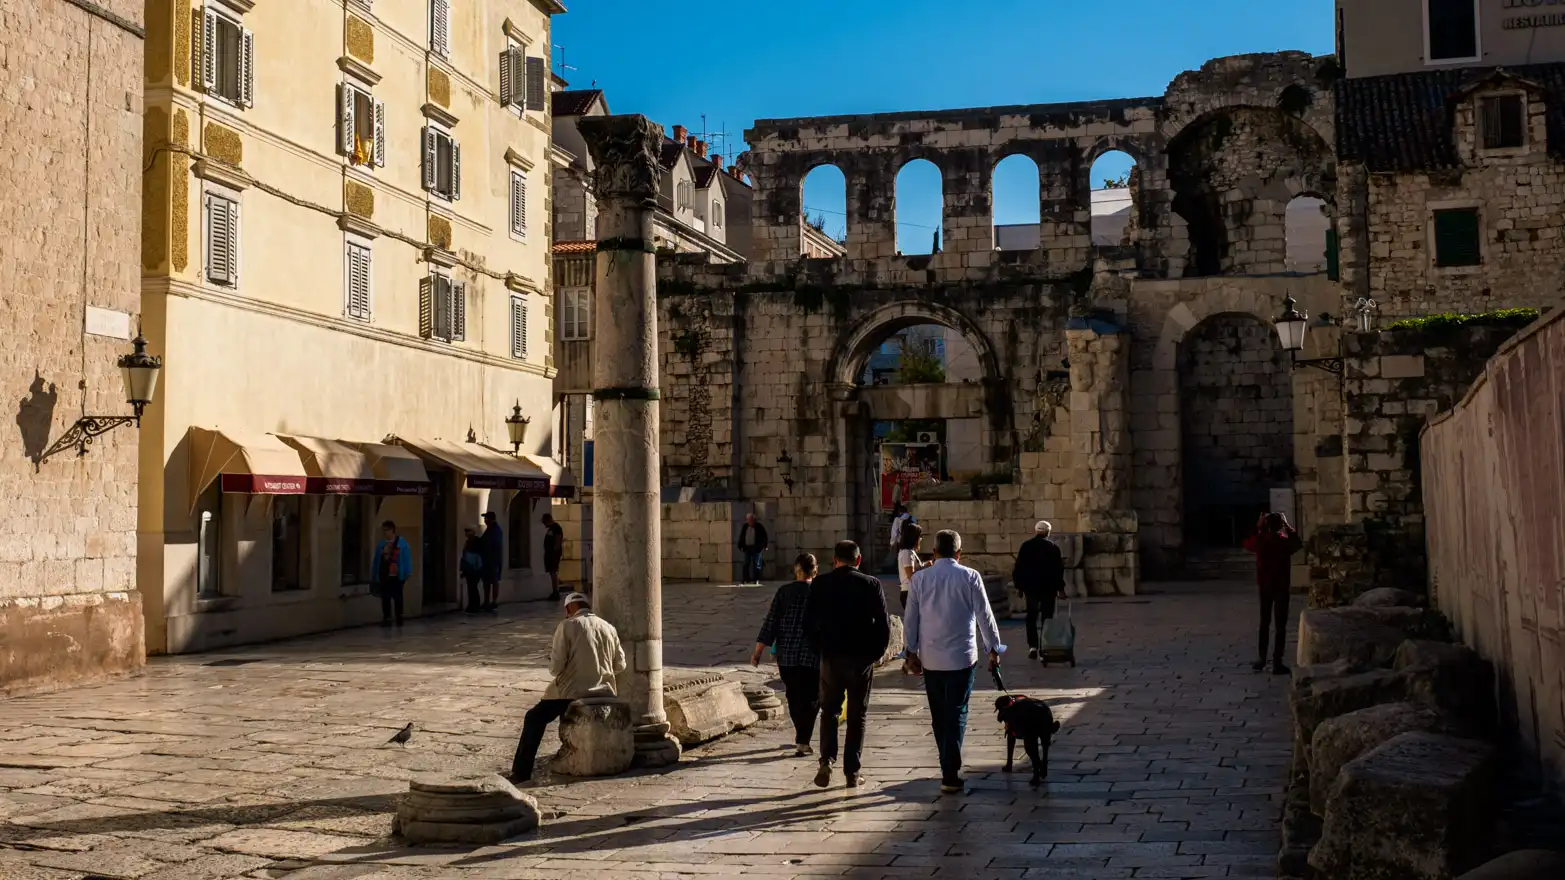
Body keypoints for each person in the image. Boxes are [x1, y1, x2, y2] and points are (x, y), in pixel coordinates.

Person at [905, 529, 1005, 794]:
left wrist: (910, 652)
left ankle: (947, 767)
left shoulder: (919, 580)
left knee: (939, 715)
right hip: (962, 656)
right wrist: (993, 649)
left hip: (931, 658)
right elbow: (985, 614)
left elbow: (911, 618)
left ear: (934, 552)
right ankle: (951, 769)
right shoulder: (970, 576)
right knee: (957, 712)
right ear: (959, 554)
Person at [510, 592, 627, 782]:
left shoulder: (567, 626)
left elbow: (556, 668)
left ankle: (521, 772)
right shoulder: (609, 628)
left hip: (572, 691)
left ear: (568, 609)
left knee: (533, 718)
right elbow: (621, 665)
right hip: (604, 689)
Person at [803, 540, 891, 789]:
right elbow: (883, 628)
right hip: (860, 659)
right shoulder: (871, 584)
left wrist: (820, 650)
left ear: (834, 560)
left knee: (829, 711)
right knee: (857, 715)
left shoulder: (820, 583)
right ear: (859, 560)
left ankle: (826, 761)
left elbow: (807, 624)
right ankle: (852, 772)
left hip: (831, 658)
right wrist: (873, 655)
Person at [750, 554, 822, 756]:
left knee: (793, 695)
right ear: (815, 571)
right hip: (813, 654)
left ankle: (801, 736)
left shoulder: (784, 592)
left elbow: (770, 623)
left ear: (796, 571)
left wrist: (758, 652)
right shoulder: (820, 592)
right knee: (812, 697)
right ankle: (803, 739)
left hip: (787, 655)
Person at [1243, 512, 1303, 675]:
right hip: (1281, 586)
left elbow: (1247, 542)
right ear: (1279, 526)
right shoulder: (1284, 543)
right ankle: (1277, 661)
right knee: (1280, 626)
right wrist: (1287, 526)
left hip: (1265, 587)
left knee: (1265, 623)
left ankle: (1262, 659)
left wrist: (1258, 526)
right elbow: (1297, 543)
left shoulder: (1261, 541)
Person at [1012, 521, 1067, 661]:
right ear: (1048, 532)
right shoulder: (1053, 548)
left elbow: (1019, 568)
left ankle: (1033, 646)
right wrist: (1061, 589)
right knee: (1047, 618)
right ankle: (1044, 647)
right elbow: (1058, 571)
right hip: (1048, 589)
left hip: (1031, 589)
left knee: (1031, 617)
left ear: (1036, 531)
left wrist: (1019, 587)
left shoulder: (1026, 546)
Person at [370, 521, 413, 627]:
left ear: (392, 530)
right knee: (385, 597)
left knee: (398, 597)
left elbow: (406, 558)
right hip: (385, 575)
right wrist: (375, 574)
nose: (385, 533)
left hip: (397, 575)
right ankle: (387, 617)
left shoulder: (402, 544)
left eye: (387, 530)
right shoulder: (382, 545)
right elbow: (377, 560)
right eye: (384, 530)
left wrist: (407, 572)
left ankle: (399, 616)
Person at [898, 522, 926, 613]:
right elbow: (911, 575)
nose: (921, 539)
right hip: (909, 592)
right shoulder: (907, 552)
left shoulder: (910, 552)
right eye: (920, 536)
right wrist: (925, 567)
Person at [480, 511, 503, 613]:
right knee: (486, 581)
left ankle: (493, 601)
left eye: (486, 518)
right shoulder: (489, 530)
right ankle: (486, 601)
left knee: (494, 581)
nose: (485, 520)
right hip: (486, 560)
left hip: (493, 560)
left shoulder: (496, 530)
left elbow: (494, 545)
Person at [737, 513, 768, 586]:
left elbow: (764, 537)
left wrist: (763, 546)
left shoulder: (759, 527)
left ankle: (756, 579)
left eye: (751, 520)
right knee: (746, 563)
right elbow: (742, 537)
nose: (750, 522)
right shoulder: (745, 527)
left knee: (756, 564)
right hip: (747, 548)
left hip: (756, 548)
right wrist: (740, 546)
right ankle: (746, 578)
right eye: (748, 520)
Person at [460, 525, 486, 614]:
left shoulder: (477, 542)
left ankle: (475, 605)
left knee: (473, 587)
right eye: (466, 532)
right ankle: (472, 605)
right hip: (468, 569)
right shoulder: (467, 543)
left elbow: (479, 557)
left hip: (475, 569)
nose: (466, 534)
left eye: (468, 531)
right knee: (471, 587)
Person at [542, 513, 564, 601]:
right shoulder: (551, 529)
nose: (544, 524)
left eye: (544, 522)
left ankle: (556, 592)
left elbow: (558, 540)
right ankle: (555, 590)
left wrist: (554, 552)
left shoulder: (556, 528)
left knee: (553, 572)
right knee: (552, 573)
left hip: (553, 555)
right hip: (550, 554)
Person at [887, 503, 912, 572]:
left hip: (901, 541)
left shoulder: (898, 519)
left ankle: (901, 570)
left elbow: (894, 532)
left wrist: (892, 543)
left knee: (900, 557)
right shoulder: (912, 517)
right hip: (911, 541)